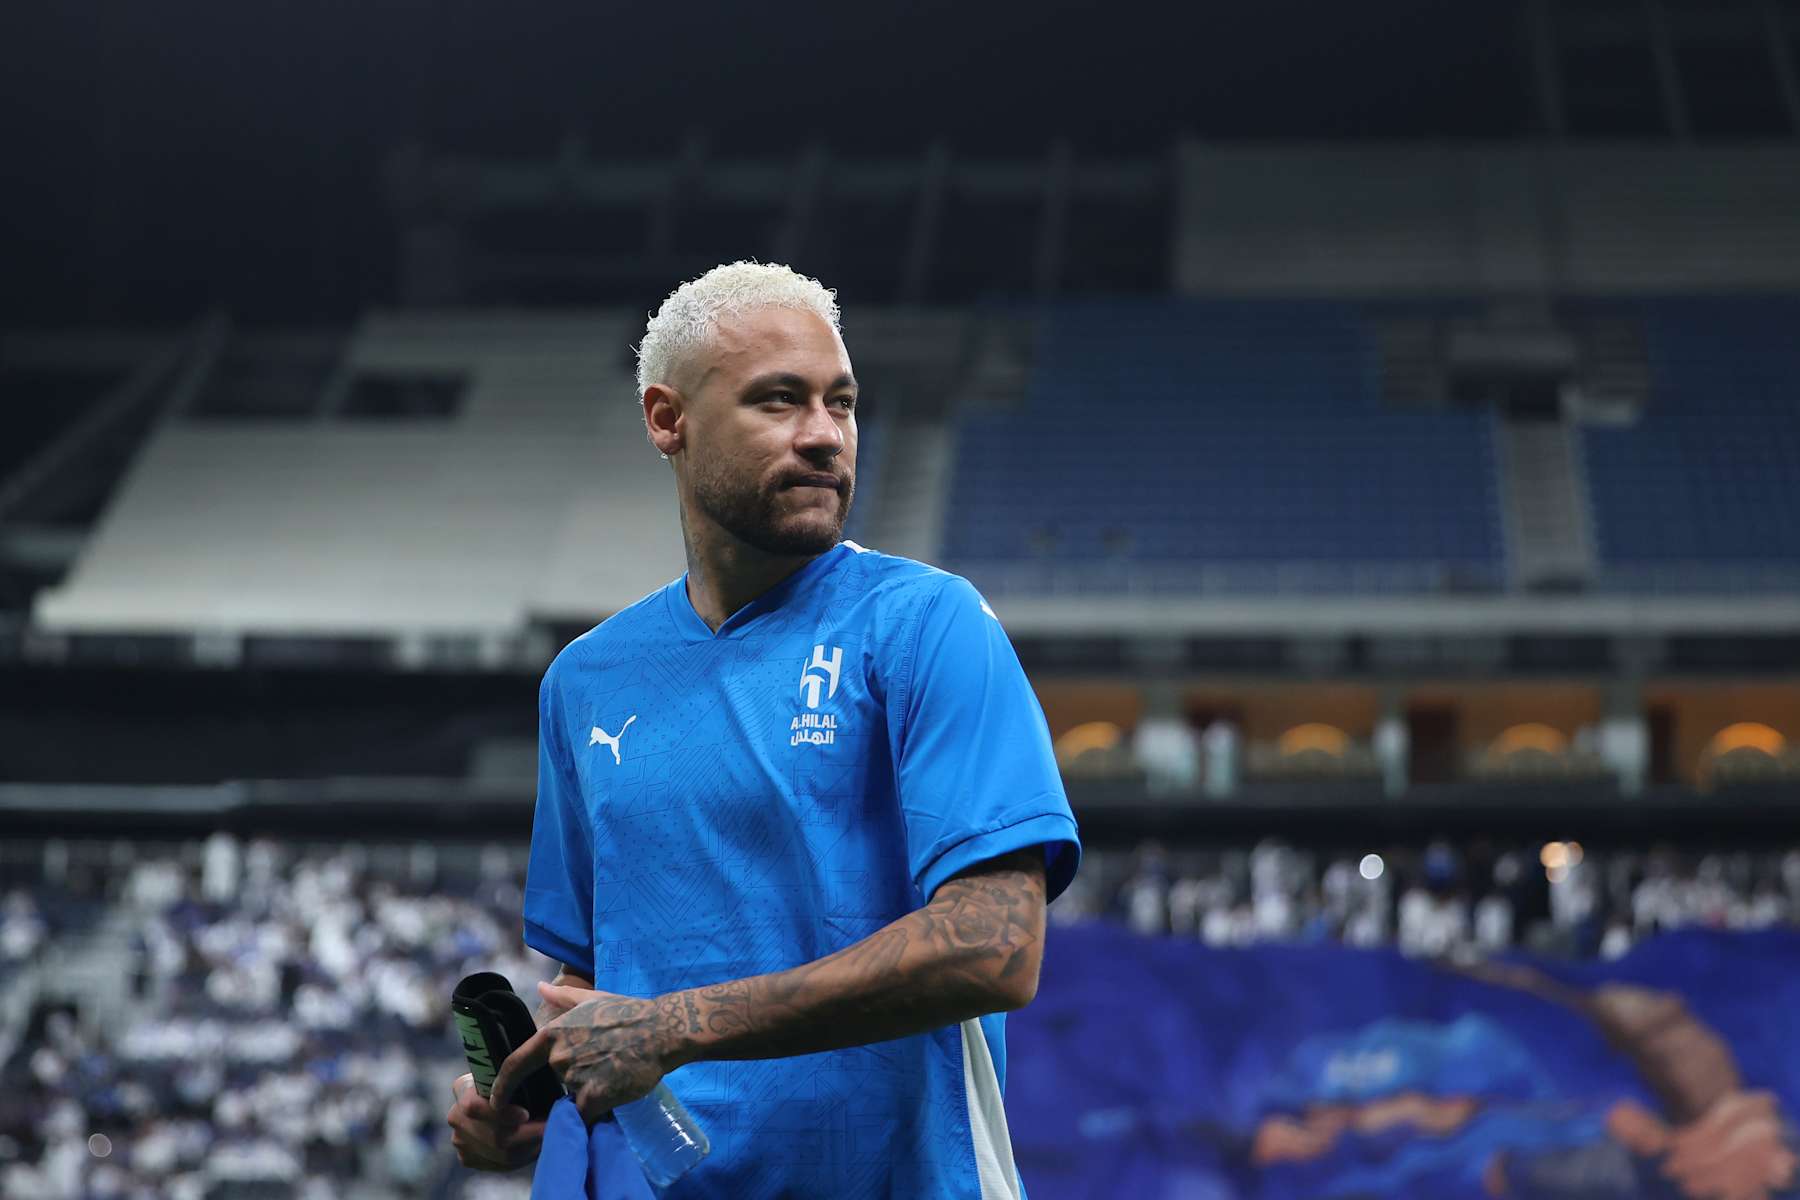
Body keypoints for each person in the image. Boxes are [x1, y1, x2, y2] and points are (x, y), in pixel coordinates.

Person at [445, 261, 1082, 1198]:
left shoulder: (924, 624)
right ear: (668, 418)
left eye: (842, 403)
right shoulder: (584, 681)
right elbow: (593, 989)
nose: (825, 435)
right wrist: (527, 1105)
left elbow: (995, 946)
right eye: (779, 400)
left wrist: (672, 1028)